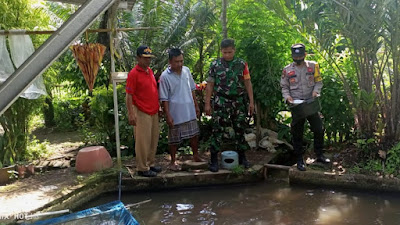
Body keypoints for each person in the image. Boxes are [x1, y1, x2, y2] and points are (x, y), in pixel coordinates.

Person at [205, 39, 255, 172]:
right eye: (225, 52)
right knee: (217, 130)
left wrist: (251, 102)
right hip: (221, 101)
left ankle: (243, 158)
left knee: (240, 129)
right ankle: (214, 160)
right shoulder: (215, 65)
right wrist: (207, 103)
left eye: (230, 52)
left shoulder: (242, 64)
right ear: (221, 51)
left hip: (238, 101)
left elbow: (248, 83)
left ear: (234, 50)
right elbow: (210, 85)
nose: (227, 55)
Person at [280, 43, 330, 171]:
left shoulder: (313, 66)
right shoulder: (287, 70)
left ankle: (319, 155)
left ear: (305, 55)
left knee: (318, 129)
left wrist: (316, 91)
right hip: (297, 105)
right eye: (295, 57)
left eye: (300, 56)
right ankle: (299, 160)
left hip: (311, 102)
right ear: (292, 56)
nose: (297, 59)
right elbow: (284, 87)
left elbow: (318, 82)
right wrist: (288, 98)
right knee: (297, 133)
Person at [159, 48, 204, 171]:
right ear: (170, 61)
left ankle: (196, 155)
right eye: (176, 61)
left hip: (189, 109)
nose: (179, 64)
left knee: (194, 134)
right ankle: (173, 161)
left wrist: (196, 105)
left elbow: (192, 89)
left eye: (181, 61)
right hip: (175, 112)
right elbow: (164, 98)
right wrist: (168, 114)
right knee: (174, 139)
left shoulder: (186, 71)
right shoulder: (164, 76)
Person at [126, 45, 162, 177]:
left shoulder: (150, 71)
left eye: (149, 58)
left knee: (153, 138)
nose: (148, 61)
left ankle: (150, 163)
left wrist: (158, 106)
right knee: (142, 141)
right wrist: (131, 113)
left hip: (153, 110)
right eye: (145, 58)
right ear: (138, 58)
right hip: (141, 111)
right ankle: (142, 167)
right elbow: (129, 95)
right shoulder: (133, 74)